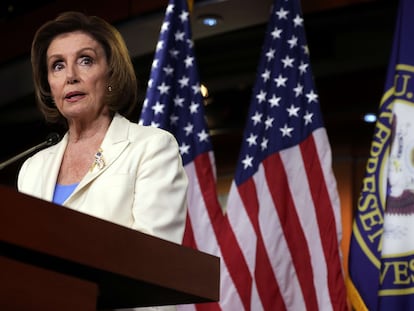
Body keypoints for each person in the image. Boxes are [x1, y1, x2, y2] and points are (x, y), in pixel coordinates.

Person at [17, 11, 188, 311]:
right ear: (49, 84)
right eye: (57, 65)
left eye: (85, 60)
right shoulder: (32, 169)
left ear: (111, 72)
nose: (70, 75)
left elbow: (154, 265)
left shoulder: (151, 147)